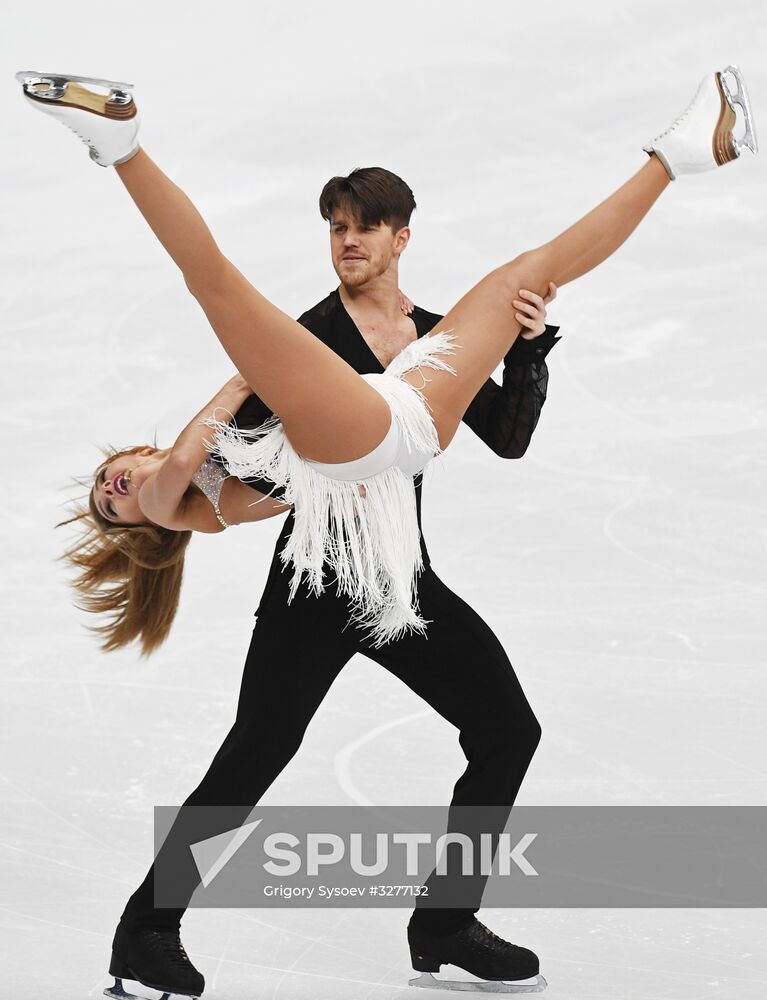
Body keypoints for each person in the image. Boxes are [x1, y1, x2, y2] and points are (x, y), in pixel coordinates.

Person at [16, 65, 757, 999]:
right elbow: (234, 475)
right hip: (319, 572)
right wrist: (218, 428)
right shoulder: (303, 343)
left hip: (398, 576)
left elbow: (511, 437)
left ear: (398, 238)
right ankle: (144, 934)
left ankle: (444, 923)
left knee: (506, 729)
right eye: (335, 227)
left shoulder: (433, 327)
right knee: (253, 754)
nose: (346, 242)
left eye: (362, 227)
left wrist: (525, 351)